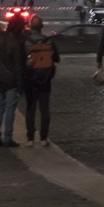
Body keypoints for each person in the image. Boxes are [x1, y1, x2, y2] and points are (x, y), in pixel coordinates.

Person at [0, 16, 26, 146]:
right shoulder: (16, 42)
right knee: (10, 108)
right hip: (11, 79)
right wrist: (20, 85)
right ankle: (8, 137)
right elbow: (18, 65)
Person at [22, 15, 59, 147]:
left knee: (30, 108)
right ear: (42, 27)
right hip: (45, 78)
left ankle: (30, 138)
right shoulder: (48, 42)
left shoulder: (25, 42)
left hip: (30, 77)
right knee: (44, 108)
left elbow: (21, 60)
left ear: (30, 27)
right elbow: (56, 58)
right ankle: (44, 138)